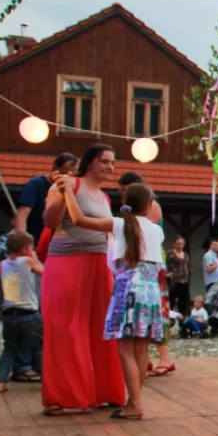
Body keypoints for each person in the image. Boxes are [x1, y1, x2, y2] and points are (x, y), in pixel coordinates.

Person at [59, 179, 163, 420]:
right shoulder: (156, 230)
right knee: (141, 350)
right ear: (148, 205)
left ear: (125, 202)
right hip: (150, 290)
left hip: (128, 287)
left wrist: (67, 193)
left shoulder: (117, 224)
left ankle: (135, 404)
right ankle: (134, 401)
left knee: (125, 349)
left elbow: (79, 220)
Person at [40, 145, 126, 415]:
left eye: (112, 163)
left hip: (100, 265)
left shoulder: (105, 198)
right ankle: (64, 396)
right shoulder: (69, 184)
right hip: (67, 263)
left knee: (102, 329)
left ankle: (104, 391)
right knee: (66, 328)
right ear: (90, 163)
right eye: (105, 162)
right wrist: (62, 194)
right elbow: (49, 220)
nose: (110, 167)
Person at [116, 171, 174, 378]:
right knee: (141, 311)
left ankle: (164, 356)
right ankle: (144, 357)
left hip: (149, 261)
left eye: (125, 191)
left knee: (157, 306)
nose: (122, 196)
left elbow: (143, 233)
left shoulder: (151, 208)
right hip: (136, 260)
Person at [0, 230, 43, 393]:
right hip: (28, 313)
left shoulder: (2, 264)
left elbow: (0, 274)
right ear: (25, 249)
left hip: (9, 313)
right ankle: (48, 379)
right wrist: (34, 257)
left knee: (9, 348)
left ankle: (0, 382)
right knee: (38, 348)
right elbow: (44, 273)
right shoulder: (28, 261)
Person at [13, 153, 78, 242]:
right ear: (54, 168)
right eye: (64, 173)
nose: (67, 177)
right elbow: (22, 214)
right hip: (36, 240)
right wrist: (23, 242)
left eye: (72, 174)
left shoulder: (72, 187)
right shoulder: (36, 184)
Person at [166, 236, 191, 317]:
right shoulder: (170, 254)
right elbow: (164, 264)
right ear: (174, 244)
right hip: (174, 281)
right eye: (178, 244)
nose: (180, 245)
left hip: (184, 281)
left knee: (183, 302)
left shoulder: (185, 255)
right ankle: (171, 320)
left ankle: (182, 323)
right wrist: (167, 274)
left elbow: (188, 266)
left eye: (181, 244)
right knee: (171, 301)